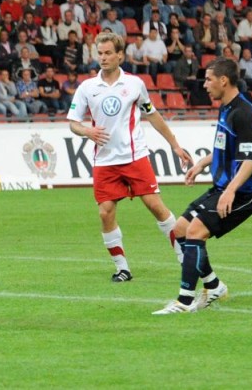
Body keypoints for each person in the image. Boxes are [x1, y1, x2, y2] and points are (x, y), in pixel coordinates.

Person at [67, 32, 193, 282]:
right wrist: (87, 131)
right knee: (105, 213)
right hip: (105, 161)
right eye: (99, 53)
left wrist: (175, 146)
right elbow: (73, 123)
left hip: (135, 157)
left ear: (120, 55)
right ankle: (122, 268)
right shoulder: (87, 88)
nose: (103, 58)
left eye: (108, 53)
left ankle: (184, 258)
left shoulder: (135, 84)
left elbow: (152, 115)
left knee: (155, 206)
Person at [154, 58, 252, 314]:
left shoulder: (243, 112)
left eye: (208, 79)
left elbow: (251, 158)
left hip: (245, 192)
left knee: (195, 231)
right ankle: (214, 286)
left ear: (223, 80)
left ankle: (184, 302)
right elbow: (225, 148)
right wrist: (203, 164)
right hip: (224, 187)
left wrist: (231, 191)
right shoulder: (227, 107)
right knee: (180, 229)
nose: (204, 85)